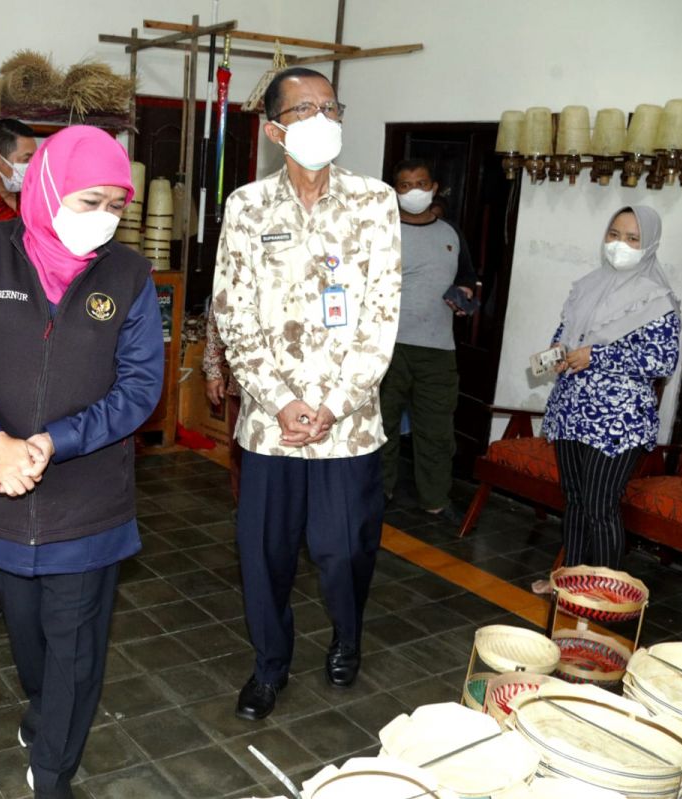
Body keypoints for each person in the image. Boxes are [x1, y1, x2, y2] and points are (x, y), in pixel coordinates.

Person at [0, 126, 163, 799]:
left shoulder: (130, 276)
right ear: (50, 187)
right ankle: (46, 712)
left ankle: (53, 767)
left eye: (116, 207)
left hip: (85, 499)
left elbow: (141, 387)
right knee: (30, 636)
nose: (103, 220)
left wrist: (55, 440)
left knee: (75, 644)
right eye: (90, 201)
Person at [213, 66, 401, 721]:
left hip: (347, 424)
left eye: (330, 106)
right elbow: (232, 312)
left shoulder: (375, 202)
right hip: (271, 426)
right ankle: (270, 665)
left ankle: (347, 637)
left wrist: (332, 404)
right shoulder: (245, 206)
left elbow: (381, 314)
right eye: (303, 109)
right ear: (273, 129)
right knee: (263, 554)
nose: (321, 118)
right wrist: (278, 400)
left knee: (343, 546)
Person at [541, 206, 680, 572]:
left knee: (600, 505)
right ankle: (570, 581)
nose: (620, 245)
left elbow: (661, 361)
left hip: (617, 421)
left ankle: (604, 594)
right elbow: (567, 336)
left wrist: (598, 356)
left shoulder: (658, 300)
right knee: (574, 499)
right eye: (614, 235)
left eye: (632, 238)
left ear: (649, 245)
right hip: (571, 409)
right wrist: (557, 354)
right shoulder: (588, 285)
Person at [380, 158, 477, 521]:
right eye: (404, 186)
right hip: (388, 347)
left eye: (421, 183)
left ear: (433, 187)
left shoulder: (451, 234)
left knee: (436, 430)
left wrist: (466, 295)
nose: (413, 191)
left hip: (438, 350)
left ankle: (435, 498)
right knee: (382, 425)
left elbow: (468, 276)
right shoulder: (382, 231)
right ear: (395, 191)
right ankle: (378, 491)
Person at [201, 305, 242, 500]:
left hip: (303, 388)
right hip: (245, 385)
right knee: (241, 453)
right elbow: (218, 313)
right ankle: (244, 506)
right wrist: (212, 369)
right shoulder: (234, 274)